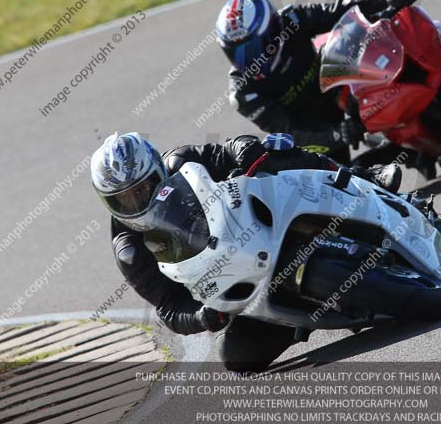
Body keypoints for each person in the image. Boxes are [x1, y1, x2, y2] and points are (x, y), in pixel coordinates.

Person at [91, 131, 401, 372]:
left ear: (157, 170)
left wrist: (244, 148)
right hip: (238, 285)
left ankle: (366, 177)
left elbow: (227, 149)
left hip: (258, 220)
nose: (136, 204)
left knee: (274, 152)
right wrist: (201, 318)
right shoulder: (129, 248)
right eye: (123, 200)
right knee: (237, 358)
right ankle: (299, 313)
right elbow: (169, 307)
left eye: (141, 190)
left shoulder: (183, 162)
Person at [216, 0, 425, 169]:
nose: (250, 60)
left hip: (340, 90)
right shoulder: (243, 93)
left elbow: (339, 8)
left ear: (274, 30)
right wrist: (338, 133)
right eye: (237, 53)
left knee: (369, 44)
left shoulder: (292, 20)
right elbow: (290, 131)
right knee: (341, 183)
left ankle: (422, 111)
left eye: (254, 49)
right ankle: (395, 157)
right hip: (314, 130)